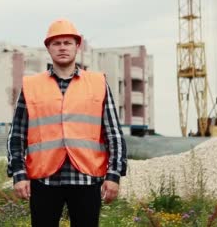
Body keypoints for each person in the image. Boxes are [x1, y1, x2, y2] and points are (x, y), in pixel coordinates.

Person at [7, 19, 127, 227]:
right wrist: (19, 174)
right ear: (48, 48)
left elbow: (113, 133)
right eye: (56, 43)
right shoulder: (32, 85)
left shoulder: (98, 83)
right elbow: (17, 135)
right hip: (44, 180)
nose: (62, 47)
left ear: (77, 46)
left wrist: (114, 175)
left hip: (87, 178)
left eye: (67, 42)